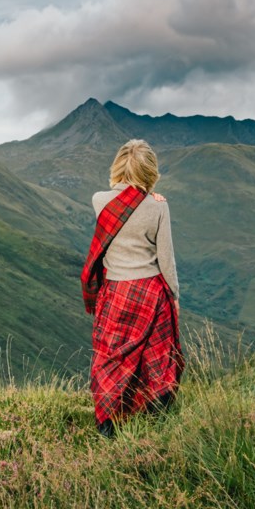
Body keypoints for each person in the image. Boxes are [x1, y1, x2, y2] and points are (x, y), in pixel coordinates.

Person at [81, 139, 184, 438]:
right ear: (150, 171)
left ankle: (108, 424)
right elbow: (167, 260)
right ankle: (154, 416)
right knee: (156, 357)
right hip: (151, 293)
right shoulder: (159, 208)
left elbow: (122, 198)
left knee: (112, 356)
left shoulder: (99, 200)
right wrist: (174, 296)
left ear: (118, 166)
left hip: (115, 292)